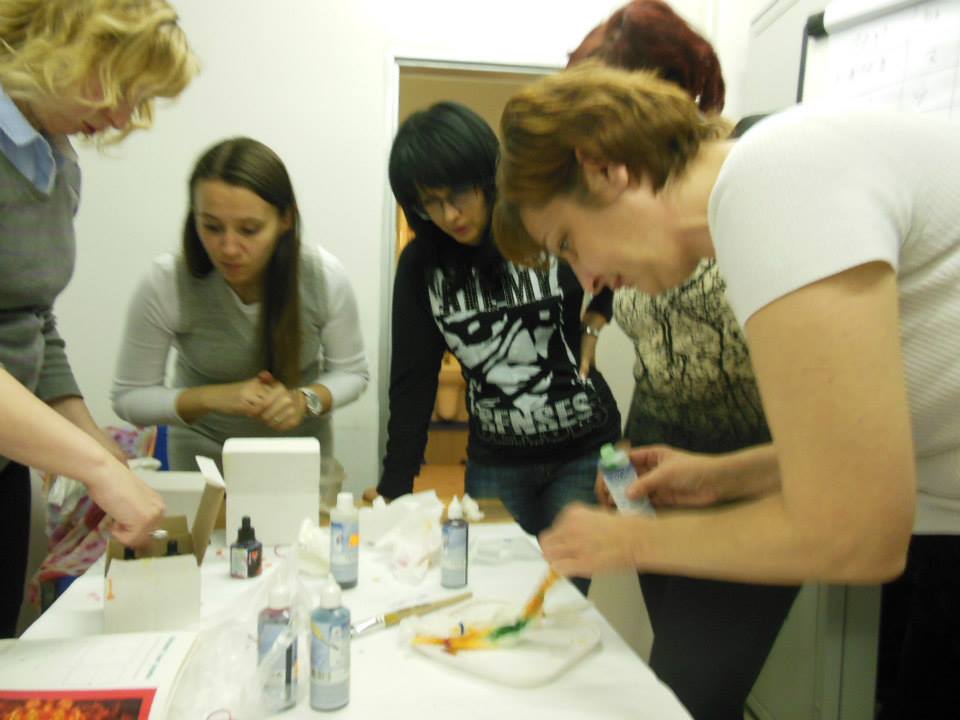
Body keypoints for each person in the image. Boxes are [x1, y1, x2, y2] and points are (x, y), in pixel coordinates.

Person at [494, 62, 960, 717]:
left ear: (602, 168)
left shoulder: (770, 179)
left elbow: (858, 534)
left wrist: (631, 542)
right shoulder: (757, 205)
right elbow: (878, 445)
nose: (588, 279)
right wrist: (726, 477)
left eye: (569, 243)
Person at [564, 4, 796, 719]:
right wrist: (623, 463)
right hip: (655, 461)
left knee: (689, 690)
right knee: (676, 682)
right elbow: (646, 352)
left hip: (755, 472)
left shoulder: (756, 173)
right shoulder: (629, 206)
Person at [0, 0, 197, 637]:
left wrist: (93, 449)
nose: (120, 119)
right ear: (62, 43)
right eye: (119, 90)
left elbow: (32, 322)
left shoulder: (53, 162)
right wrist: (97, 468)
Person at [367, 102, 621, 592]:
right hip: (496, 462)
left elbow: (618, 247)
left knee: (561, 601)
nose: (449, 215)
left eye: (459, 193)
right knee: (493, 595)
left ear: (488, 174)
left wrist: (597, 317)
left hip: (585, 449)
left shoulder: (542, 225)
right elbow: (413, 383)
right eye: (430, 203)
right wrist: (394, 492)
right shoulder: (422, 268)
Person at [112, 137, 369, 475]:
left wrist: (305, 400)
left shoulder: (324, 278)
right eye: (211, 227)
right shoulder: (166, 281)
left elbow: (352, 373)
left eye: (249, 229)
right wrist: (213, 397)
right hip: (203, 460)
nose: (229, 248)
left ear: (286, 219)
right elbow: (129, 398)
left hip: (299, 456)